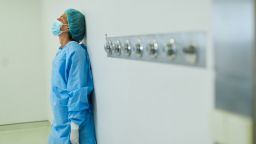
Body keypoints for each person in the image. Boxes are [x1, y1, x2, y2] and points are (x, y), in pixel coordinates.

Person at [48, 8, 96, 144]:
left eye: (62, 18)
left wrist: (75, 127)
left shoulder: (75, 51)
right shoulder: (62, 51)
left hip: (73, 124)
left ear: (70, 27)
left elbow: (77, 91)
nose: (57, 20)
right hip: (61, 122)